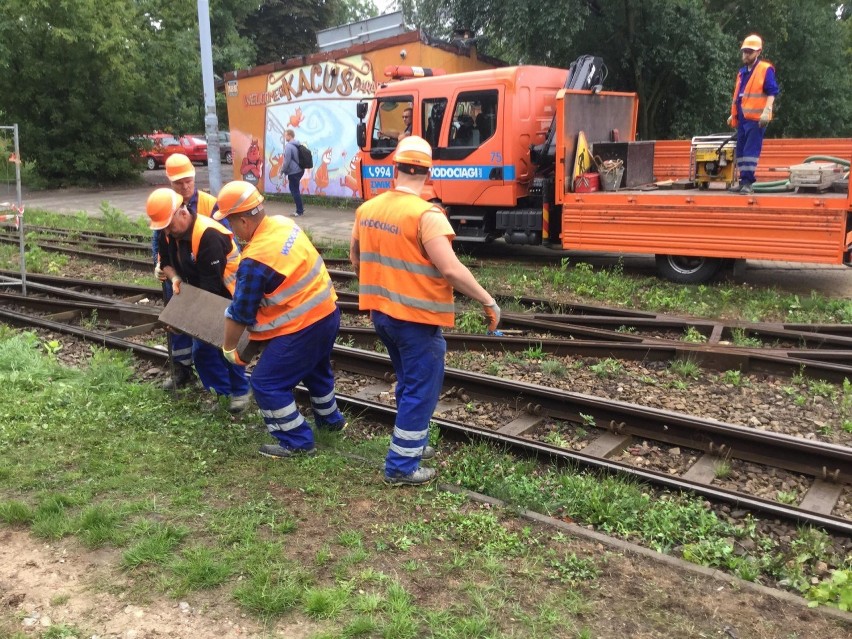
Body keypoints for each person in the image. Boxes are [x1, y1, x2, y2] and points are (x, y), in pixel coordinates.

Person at [349, 136, 501, 486]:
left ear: (395, 168)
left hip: (383, 317)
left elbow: (357, 259)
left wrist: (377, 294)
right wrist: (487, 300)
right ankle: (401, 467)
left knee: (408, 381)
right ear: (428, 171)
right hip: (416, 321)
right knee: (421, 388)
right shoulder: (426, 215)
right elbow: (450, 269)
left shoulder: (367, 210)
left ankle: (413, 443)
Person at [215, 180, 347, 458]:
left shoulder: (254, 259)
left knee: (266, 383)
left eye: (229, 221)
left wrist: (229, 349)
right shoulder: (284, 224)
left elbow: (240, 313)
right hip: (327, 314)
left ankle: (297, 441)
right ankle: (331, 423)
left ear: (242, 221)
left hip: (301, 327)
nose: (230, 228)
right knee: (316, 370)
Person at [146, 188, 251, 413]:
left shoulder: (208, 236)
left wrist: (182, 320)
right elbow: (165, 260)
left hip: (227, 296)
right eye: (163, 227)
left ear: (182, 213)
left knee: (224, 345)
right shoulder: (169, 232)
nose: (167, 231)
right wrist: (173, 278)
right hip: (202, 293)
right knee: (205, 350)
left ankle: (239, 393)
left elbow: (210, 290)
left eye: (169, 225)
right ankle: (223, 395)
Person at [154, 153, 221, 390]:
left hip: (204, 276)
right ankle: (182, 370)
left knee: (207, 328)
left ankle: (218, 381)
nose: (184, 187)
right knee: (177, 324)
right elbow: (160, 239)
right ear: (170, 182)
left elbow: (223, 242)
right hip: (177, 275)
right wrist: (160, 264)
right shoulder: (164, 203)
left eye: (188, 181)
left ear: (194, 177)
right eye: (178, 183)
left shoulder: (209, 204)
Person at [727, 34, 779, 194]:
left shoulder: (765, 69)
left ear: (758, 52)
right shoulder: (742, 72)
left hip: (756, 119)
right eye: (744, 51)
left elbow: (772, 92)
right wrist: (733, 114)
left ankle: (748, 183)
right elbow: (739, 96)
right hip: (742, 118)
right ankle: (743, 181)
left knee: (750, 150)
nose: (746, 55)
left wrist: (767, 111)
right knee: (741, 150)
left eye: (749, 52)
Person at [283, 129, 305, 217]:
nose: (285, 137)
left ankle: (299, 211)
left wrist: (282, 171)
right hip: (300, 170)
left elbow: (286, 161)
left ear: (289, 135)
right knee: (296, 190)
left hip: (294, 172)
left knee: (294, 190)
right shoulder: (297, 144)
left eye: (285, 135)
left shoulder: (289, 146)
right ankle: (300, 208)